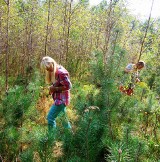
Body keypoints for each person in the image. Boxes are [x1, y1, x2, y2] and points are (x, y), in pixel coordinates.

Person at [41, 56, 72, 134]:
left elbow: (68, 86)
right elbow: (58, 84)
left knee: (50, 118)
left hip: (61, 100)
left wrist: (55, 89)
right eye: (46, 69)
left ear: (52, 63)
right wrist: (52, 89)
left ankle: (51, 139)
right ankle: (70, 137)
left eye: (48, 67)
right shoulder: (55, 72)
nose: (48, 70)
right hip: (59, 98)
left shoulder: (60, 72)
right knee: (64, 120)